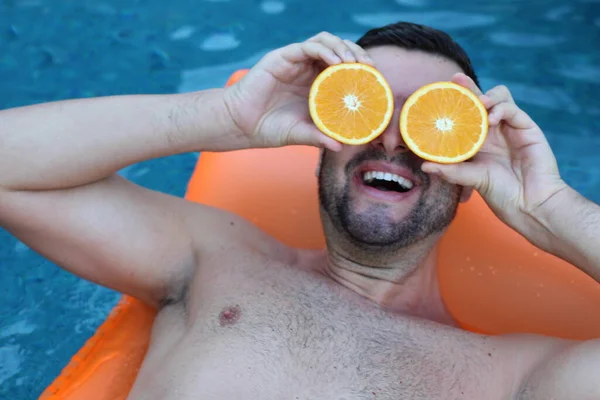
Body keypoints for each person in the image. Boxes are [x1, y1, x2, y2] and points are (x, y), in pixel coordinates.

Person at [0, 21, 599, 399]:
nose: (391, 140)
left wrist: (549, 207)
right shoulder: (217, 263)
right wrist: (221, 116)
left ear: (468, 175)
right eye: (366, 109)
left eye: (429, 123)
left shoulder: (514, 376)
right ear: (320, 144)